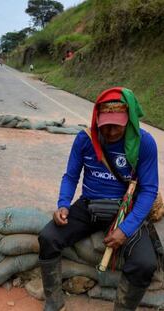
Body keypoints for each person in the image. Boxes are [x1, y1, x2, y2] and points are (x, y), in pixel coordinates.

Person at [38, 87, 159, 311]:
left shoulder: (145, 144)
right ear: (96, 118)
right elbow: (71, 176)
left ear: (129, 120)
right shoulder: (84, 139)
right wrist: (63, 204)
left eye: (117, 126)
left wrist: (125, 229)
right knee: (48, 237)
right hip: (88, 205)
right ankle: (54, 301)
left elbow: (149, 191)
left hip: (125, 210)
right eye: (105, 125)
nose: (110, 132)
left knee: (145, 264)